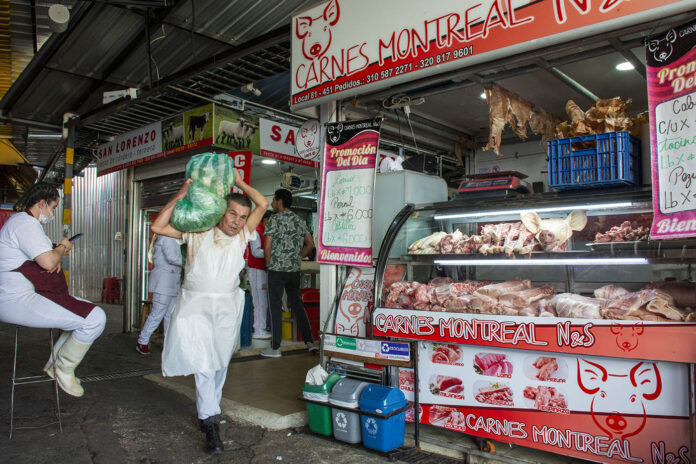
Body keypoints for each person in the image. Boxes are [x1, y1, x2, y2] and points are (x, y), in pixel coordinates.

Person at [150, 170, 268, 454]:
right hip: (195, 306)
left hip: (227, 307)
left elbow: (262, 204)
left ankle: (208, 413)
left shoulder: (243, 235)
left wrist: (239, 183)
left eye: (242, 216)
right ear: (220, 211)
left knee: (219, 363)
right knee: (203, 362)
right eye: (232, 214)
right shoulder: (197, 231)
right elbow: (157, 227)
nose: (237, 221)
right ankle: (212, 423)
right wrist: (180, 195)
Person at [0, 182, 107, 398]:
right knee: (95, 318)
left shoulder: (20, 223)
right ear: (42, 203)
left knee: (86, 311)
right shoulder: (25, 224)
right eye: (54, 207)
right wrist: (61, 249)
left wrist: (54, 254)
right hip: (16, 298)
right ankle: (64, 368)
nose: (53, 212)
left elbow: (46, 258)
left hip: (23, 293)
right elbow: (49, 262)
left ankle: (54, 364)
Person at [261, 188, 317, 358]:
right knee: (298, 305)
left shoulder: (274, 220)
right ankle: (309, 342)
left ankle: (276, 348)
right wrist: (296, 256)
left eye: (273, 200)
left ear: (279, 201)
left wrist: (269, 264)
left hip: (276, 270)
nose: (272, 204)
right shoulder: (299, 220)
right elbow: (311, 244)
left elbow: (268, 245)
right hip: (293, 271)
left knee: (276, 306)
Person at [136, 234, 183, 355]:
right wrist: (189, 260)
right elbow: (172, 257)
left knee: (170, 315)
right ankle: (142, 342)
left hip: (172, 282)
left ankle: (168, 344)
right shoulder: (167, 237)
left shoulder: (174, 238)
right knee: (158, 313)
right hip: (163, 282)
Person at [247, 211, 272, 340]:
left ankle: (261, 327)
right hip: (256, 270)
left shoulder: (267, 233)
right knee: (259, 301)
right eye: (270, 220)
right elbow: (256, 252)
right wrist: (271, 251)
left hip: (263, 269)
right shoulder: (256, 232)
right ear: (265, 220)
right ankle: (258, 329)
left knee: (263, 301)